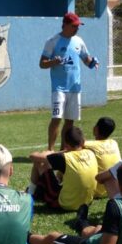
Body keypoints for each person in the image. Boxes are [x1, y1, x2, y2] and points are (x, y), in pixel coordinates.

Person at [40, 12, 100, 151]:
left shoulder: (79, 41)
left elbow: (86, 59)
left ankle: (64, 150)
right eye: (74, 26)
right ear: (65, 25)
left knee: (69, 122)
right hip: (59, 88)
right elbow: (42, 63)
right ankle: (50, 150)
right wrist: (53, 61)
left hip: (75, 88)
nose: (77, 29)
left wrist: (92, 62)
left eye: (78, 26)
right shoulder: (52, 41)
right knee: (56, 119)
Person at [28, 126, 97, 225]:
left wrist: (50, 152)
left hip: (66, 204)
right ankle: (37, 191)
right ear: (83, 141)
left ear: (66, 144)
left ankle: (30, 193)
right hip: (86, 202)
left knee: (40, 162)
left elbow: (33, 156)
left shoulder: (64, 157)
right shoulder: (91, 152)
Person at [82, 117, 121, 199]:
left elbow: (75, 143)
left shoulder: (89, 145)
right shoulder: (114, 143)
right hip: (113, 189)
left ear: (96, 128)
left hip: (96, 191)